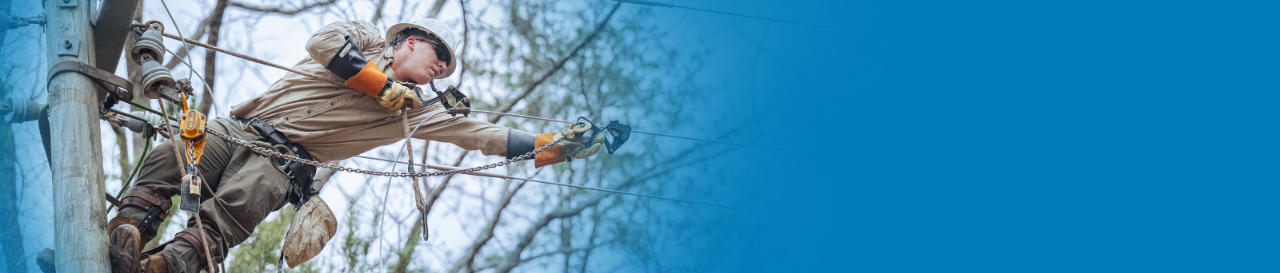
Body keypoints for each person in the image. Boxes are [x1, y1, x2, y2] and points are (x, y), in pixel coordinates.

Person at [106, 18, 605, 273]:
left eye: (447, 68)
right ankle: (127, 230)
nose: (441, 69)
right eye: (439, 56)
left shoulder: (418, 112)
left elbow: (480, 135)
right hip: (241, 128)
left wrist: (553, 146)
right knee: (171, 155)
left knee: (238, 207)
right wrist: (380, 86)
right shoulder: (364, 40)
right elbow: (322, 43)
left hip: (286, 162)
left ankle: (165, 267)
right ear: (410, 40)